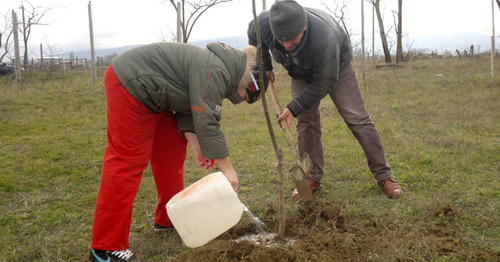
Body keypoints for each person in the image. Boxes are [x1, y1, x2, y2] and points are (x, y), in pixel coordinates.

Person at [89, 42, 267, 262]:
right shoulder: (216, 70)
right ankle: (105, 247)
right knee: (127, 162)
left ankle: (167, 219)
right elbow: (208, 121)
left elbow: (189, 107)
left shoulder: (220, 70)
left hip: (156, 96)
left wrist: (195, 143)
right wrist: (228, 171)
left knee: (171, 151)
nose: (240, 101)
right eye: (245, 98)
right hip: (132, 83)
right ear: (248, 84)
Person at [247, 0, 403, 200]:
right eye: (281, 41)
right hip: (299, 71)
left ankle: (384, 176)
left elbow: (325, 82)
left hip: (335, 68)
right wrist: (266, 64)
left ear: (304, 25)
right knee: (306, 121)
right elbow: (254, 37)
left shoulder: (324, 37)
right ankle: (312, 177)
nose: (286, 46)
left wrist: (293, 108)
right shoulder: (264, 24)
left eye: (292, 41)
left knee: (357, 118)